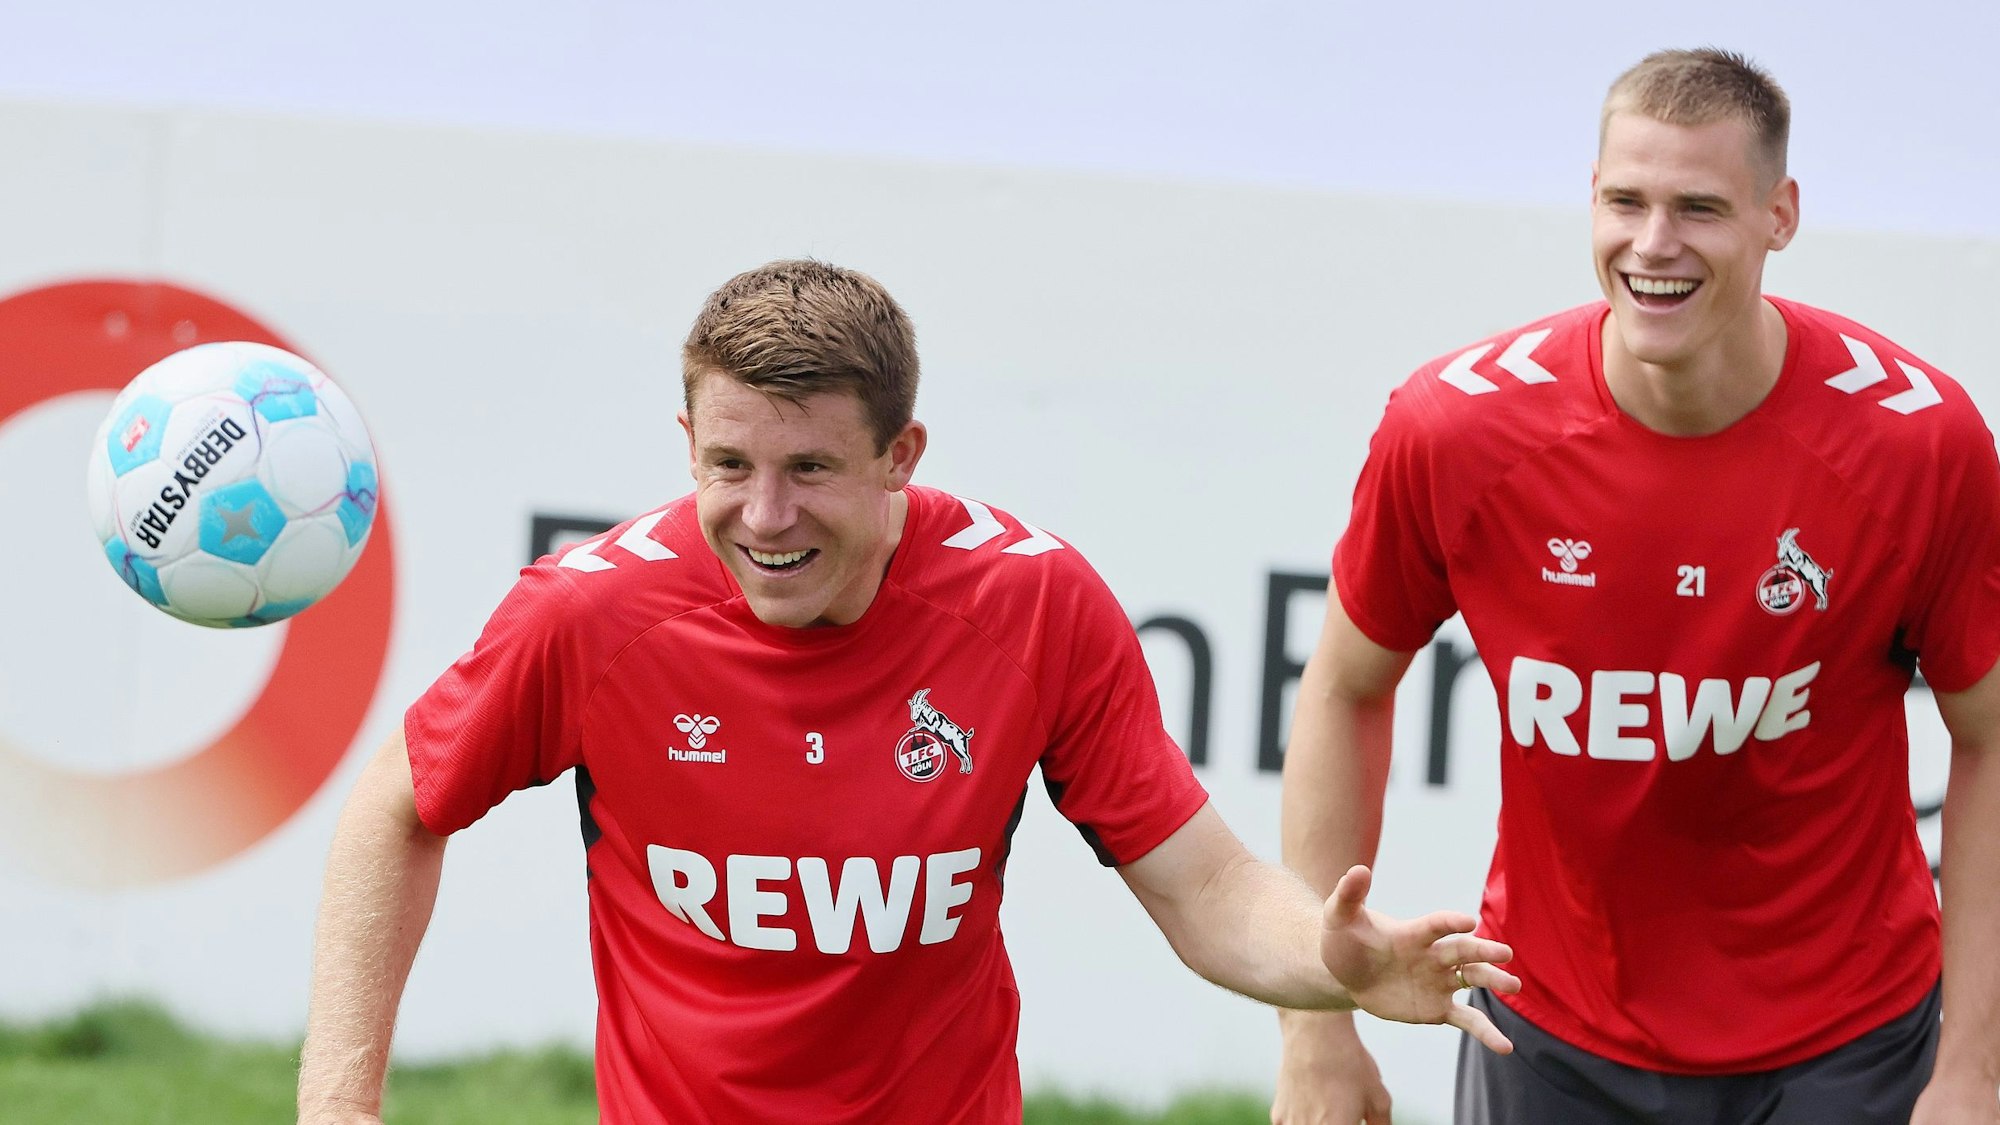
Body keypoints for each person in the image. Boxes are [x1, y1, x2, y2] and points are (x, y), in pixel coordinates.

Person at [295, 259, 1519, 1124]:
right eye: (729, 465)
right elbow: (398, 804)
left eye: (812, 469)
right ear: (686, 443)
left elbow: (1201, 888)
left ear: (900, 457)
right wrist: (339, 1107)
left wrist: (1332, 960)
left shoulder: (1031, 605)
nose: (763, 518)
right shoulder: (592, 615)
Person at [1272, 47, 2000, 1125]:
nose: (1651, 246)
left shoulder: (1915, 444)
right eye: (1624, 200)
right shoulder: (1455, 429)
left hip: (1846, 1044)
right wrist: (1314, 1032)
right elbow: (1341, 686)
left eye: (1698, 207)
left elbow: (1987, 734)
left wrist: (1972, 1073)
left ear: (1778, 215)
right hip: (1549, 1032)